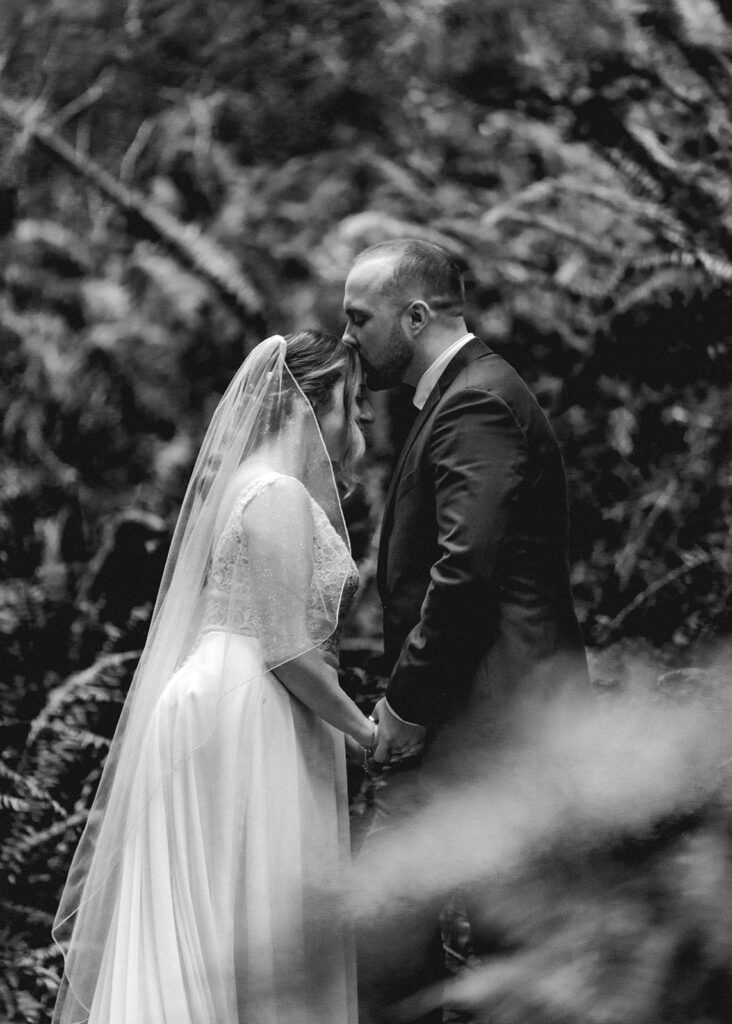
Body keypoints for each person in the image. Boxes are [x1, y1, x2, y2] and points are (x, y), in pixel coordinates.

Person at [52, 331, 375, 1024]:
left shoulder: (244, 483)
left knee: (206, 917)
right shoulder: (278, 492)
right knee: (253, 913)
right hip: (247, 709)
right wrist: (366, 731)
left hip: (216, 698)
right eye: (352, 400)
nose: (364, 417)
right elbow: (288, 650)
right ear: (308, 406)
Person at [342, 239, 590, 1023]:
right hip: (477, 712)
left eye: (359, 318)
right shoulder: (467, 394)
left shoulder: (476, 402)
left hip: (494, 718)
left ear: (416, 317)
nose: (347, 337)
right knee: (408, 939)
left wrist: (406, 705)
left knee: (495, 946)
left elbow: (465, 571)